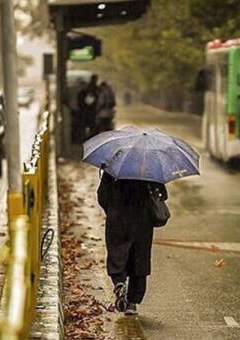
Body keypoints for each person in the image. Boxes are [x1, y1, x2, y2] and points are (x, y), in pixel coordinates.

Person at [97, 171, 168, 316]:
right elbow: (162, 194)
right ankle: (132, 303)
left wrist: (111, 210)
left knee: (117, 255)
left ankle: (119, 282)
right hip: (142, 221)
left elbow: (102, 195)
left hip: (117, 218)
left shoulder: (113, 169)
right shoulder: (150, 169)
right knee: (139, 259)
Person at [69, 78, 86, 143]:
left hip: (74, 110)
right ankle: (79, 139)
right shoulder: (81, 92)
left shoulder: (71, 90)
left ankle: (74, 139)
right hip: (78, 111)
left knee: (75, 126)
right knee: (79, 126)